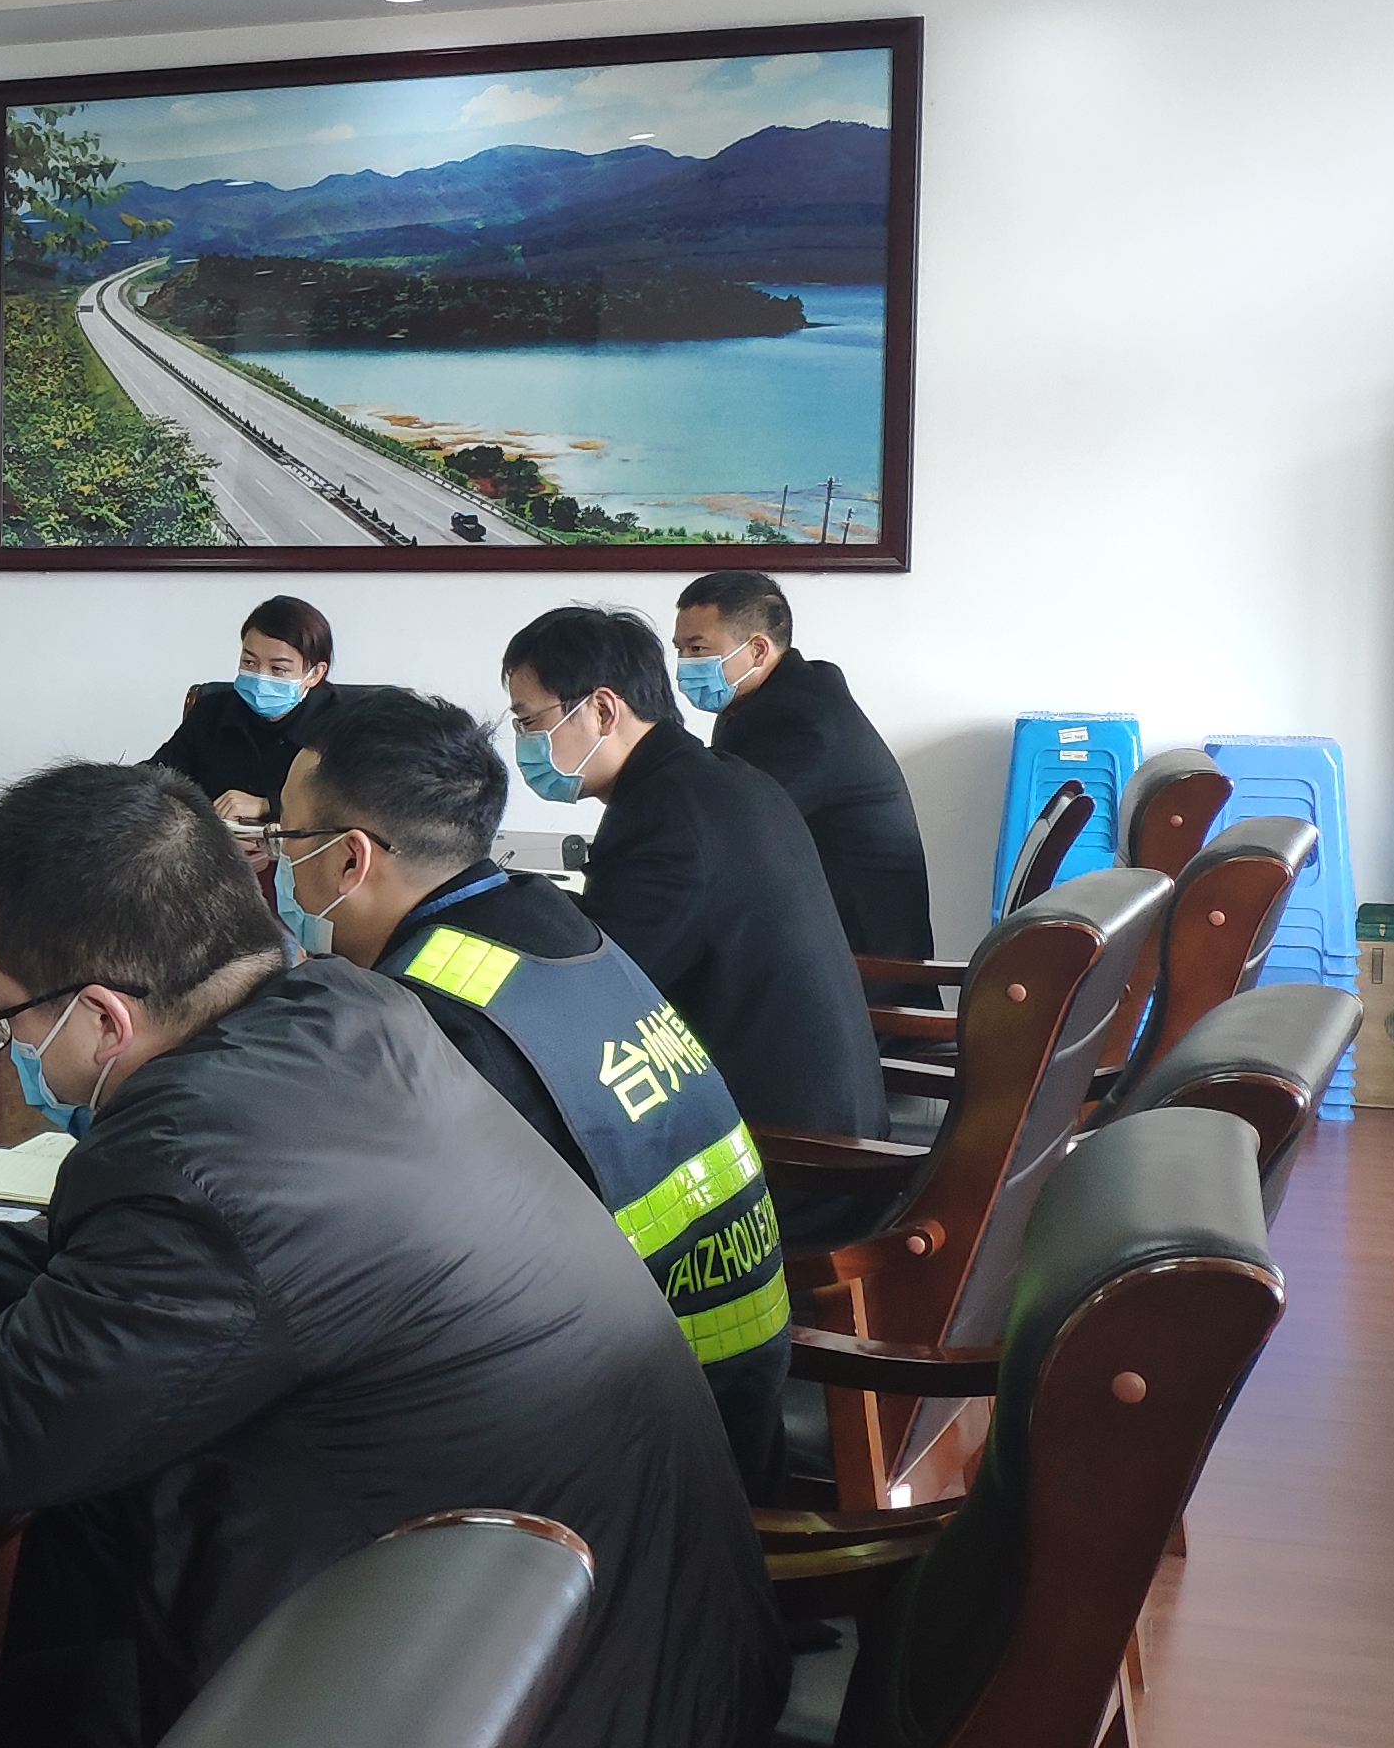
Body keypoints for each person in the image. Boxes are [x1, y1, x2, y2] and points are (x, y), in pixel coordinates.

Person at [0, 763, 781, 1748]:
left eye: (5, 1017)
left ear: (102, 1017)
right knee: (83, 1552)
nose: (10, 1045)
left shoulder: (202, 1159)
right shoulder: (348, 1014)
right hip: (634, 1665)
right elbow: (176, 1273)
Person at [269, 689, 787, 1491]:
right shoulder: (551, 923)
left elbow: (358, 1278)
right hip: (735, 1390)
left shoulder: (424, 1024)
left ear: (350, 858)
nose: (277, 861)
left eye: (287, 837)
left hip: (636, 1460)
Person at [503, 606, 886, 1142]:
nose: (523, 741)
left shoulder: (666, 816)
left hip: (792, 1152)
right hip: (823, 1115)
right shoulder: (711, 779)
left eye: (528, 722)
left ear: (603, 711)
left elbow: (600, 987)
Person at [674, 571, 934, 966]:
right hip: (818, 940)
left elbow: (722, 831)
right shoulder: (766, 700)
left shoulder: (802, 723)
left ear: (757, 650)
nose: (684, 665)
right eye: (680, 650)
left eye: (697, 649)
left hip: (862, 968)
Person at [144, 592, 345, 822]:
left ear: (315, 673)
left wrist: (268, 804)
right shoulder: (211, 711)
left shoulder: (341, 724)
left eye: (278, 669)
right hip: (216, 841)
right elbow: (158, 775)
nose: (260, 677)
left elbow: (352, 802)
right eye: (249, 662)